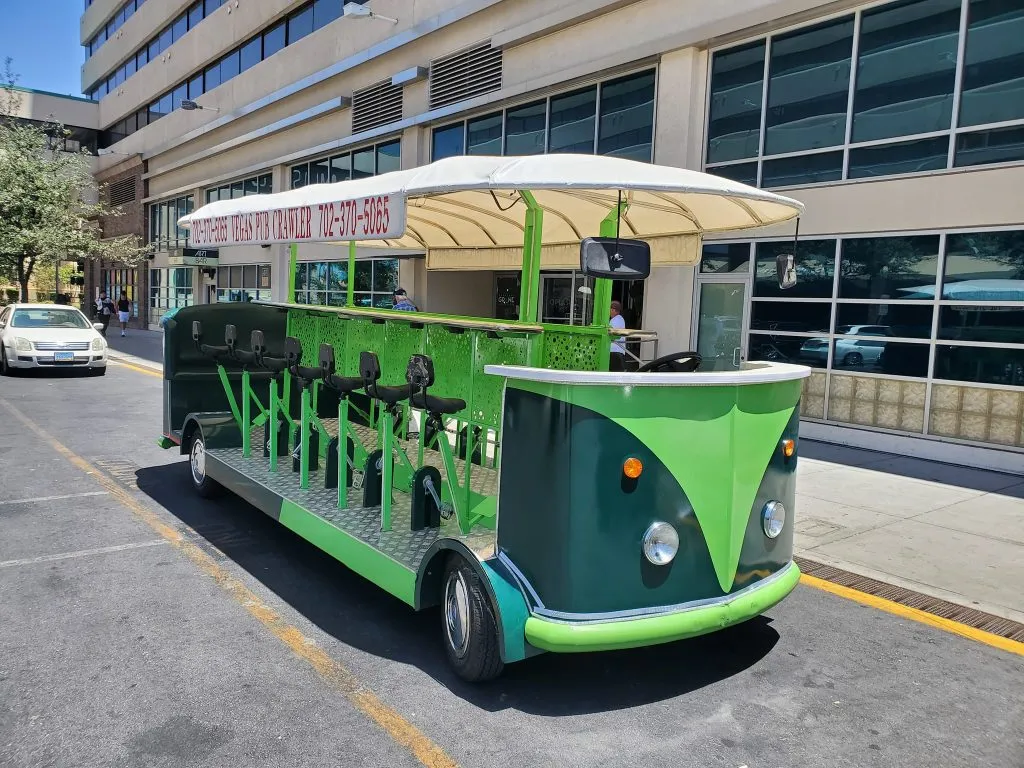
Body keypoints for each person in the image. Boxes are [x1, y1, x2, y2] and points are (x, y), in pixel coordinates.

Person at [609, 300, 627, 372]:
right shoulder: (618, 319)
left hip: (615, 351)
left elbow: (612, 333)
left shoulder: (617, 320)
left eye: (610, 309)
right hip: (616, 351)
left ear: (613, 310)